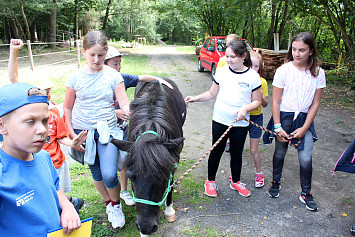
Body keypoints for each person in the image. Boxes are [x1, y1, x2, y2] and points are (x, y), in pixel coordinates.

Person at [7, 38, 87, 212]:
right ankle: (72, 202)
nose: (46, 95)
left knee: (56, 193)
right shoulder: (24, 108)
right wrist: (14, 52)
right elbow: (14, 81)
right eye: (42, 91)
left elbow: (61, 136)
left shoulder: (53, 111)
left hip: (55, 163)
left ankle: (67, 205)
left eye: (48, 91)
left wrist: (72, 143)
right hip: (35, 162)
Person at [63, 30, 130, 229]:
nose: (97, 59)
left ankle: (116, 205)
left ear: (106, 52)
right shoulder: (74, 78)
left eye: (101, 55)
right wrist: (72, 134)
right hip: (83, 133)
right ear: (84, 52)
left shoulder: (113, 76)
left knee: (110, 174)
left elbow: (124, 101)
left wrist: (128, 110)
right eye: (92, 54)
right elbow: (67, 107)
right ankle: (109, 204)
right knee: (97, 173)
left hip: (107, 131)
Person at [0, 82, 81, 236]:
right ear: (2, 126)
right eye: (30, 121)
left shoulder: (43, 156)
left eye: (45, 121)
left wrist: (67, 207)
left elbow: (55, 188)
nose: (43, 129)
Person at [185, 39, 262, 198]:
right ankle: (210, 181)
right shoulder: (221, 72)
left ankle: (236, 181)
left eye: (233, 56)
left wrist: (245, 109)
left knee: (237, 152)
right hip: (220, 120)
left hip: (240, 123)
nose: (229, 60)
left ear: (243, 56)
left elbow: (257, 101)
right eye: (227, 56)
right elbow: (212, 93)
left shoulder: (252, 76)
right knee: (216, 150)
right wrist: (195, 98)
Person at [263, 32, 326, 212]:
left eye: (302, 50)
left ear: (311, 51)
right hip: (284, 117)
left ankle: (306, 193)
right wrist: (277, 126)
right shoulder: (283, 70)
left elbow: (315, 103)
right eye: (294, 49)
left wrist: (305, 128)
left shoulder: (318, 73)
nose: (297, 53)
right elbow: (275, 101)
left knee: (306, 158)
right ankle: (276, 182)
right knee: (279, 153)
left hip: (304, 119)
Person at [104, 45, 173, 206]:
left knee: (125, 159)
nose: (118, 67)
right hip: (106, 126)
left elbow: (142, 77)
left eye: (119, 63)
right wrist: (114, 113)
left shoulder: (121, 78)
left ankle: (124, 190)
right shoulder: (99, 81)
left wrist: (159, 80)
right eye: (115, 63)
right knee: (109, 166)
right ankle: (115, 196)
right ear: (105, 64)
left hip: (121, 127)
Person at [239, 50, 269, 187]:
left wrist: (261, 97)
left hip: (256, 118)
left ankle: (259, 174)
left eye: (256, 66)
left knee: (253, 150)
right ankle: (235, 175)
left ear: (260, 68)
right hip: (243, 118)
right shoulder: (241, 79)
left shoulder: (262, 82)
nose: (253, 69)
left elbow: (266, 104)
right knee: (237, 148)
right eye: (251, 65)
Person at [216, 33, 240, 152]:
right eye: (227, 45)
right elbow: (217, 81)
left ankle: (231, 141)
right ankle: (225, 140)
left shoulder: (241, 62)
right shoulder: (222, 61)